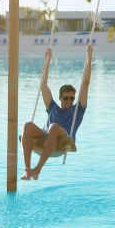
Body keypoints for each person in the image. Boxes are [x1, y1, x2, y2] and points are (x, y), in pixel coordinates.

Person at [21, 44, 93, 180]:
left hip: (64, 139)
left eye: (72, 98)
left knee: (53, 126)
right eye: (66, 98)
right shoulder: (53, 107)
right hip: (46, 136)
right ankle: (27, 169)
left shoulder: (77, 110)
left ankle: (37, 170)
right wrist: (48, 60)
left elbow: (85, 83)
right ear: (60, 98)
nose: (69, 101)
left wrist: (89, 56)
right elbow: (43, 85)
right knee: (27, 125)